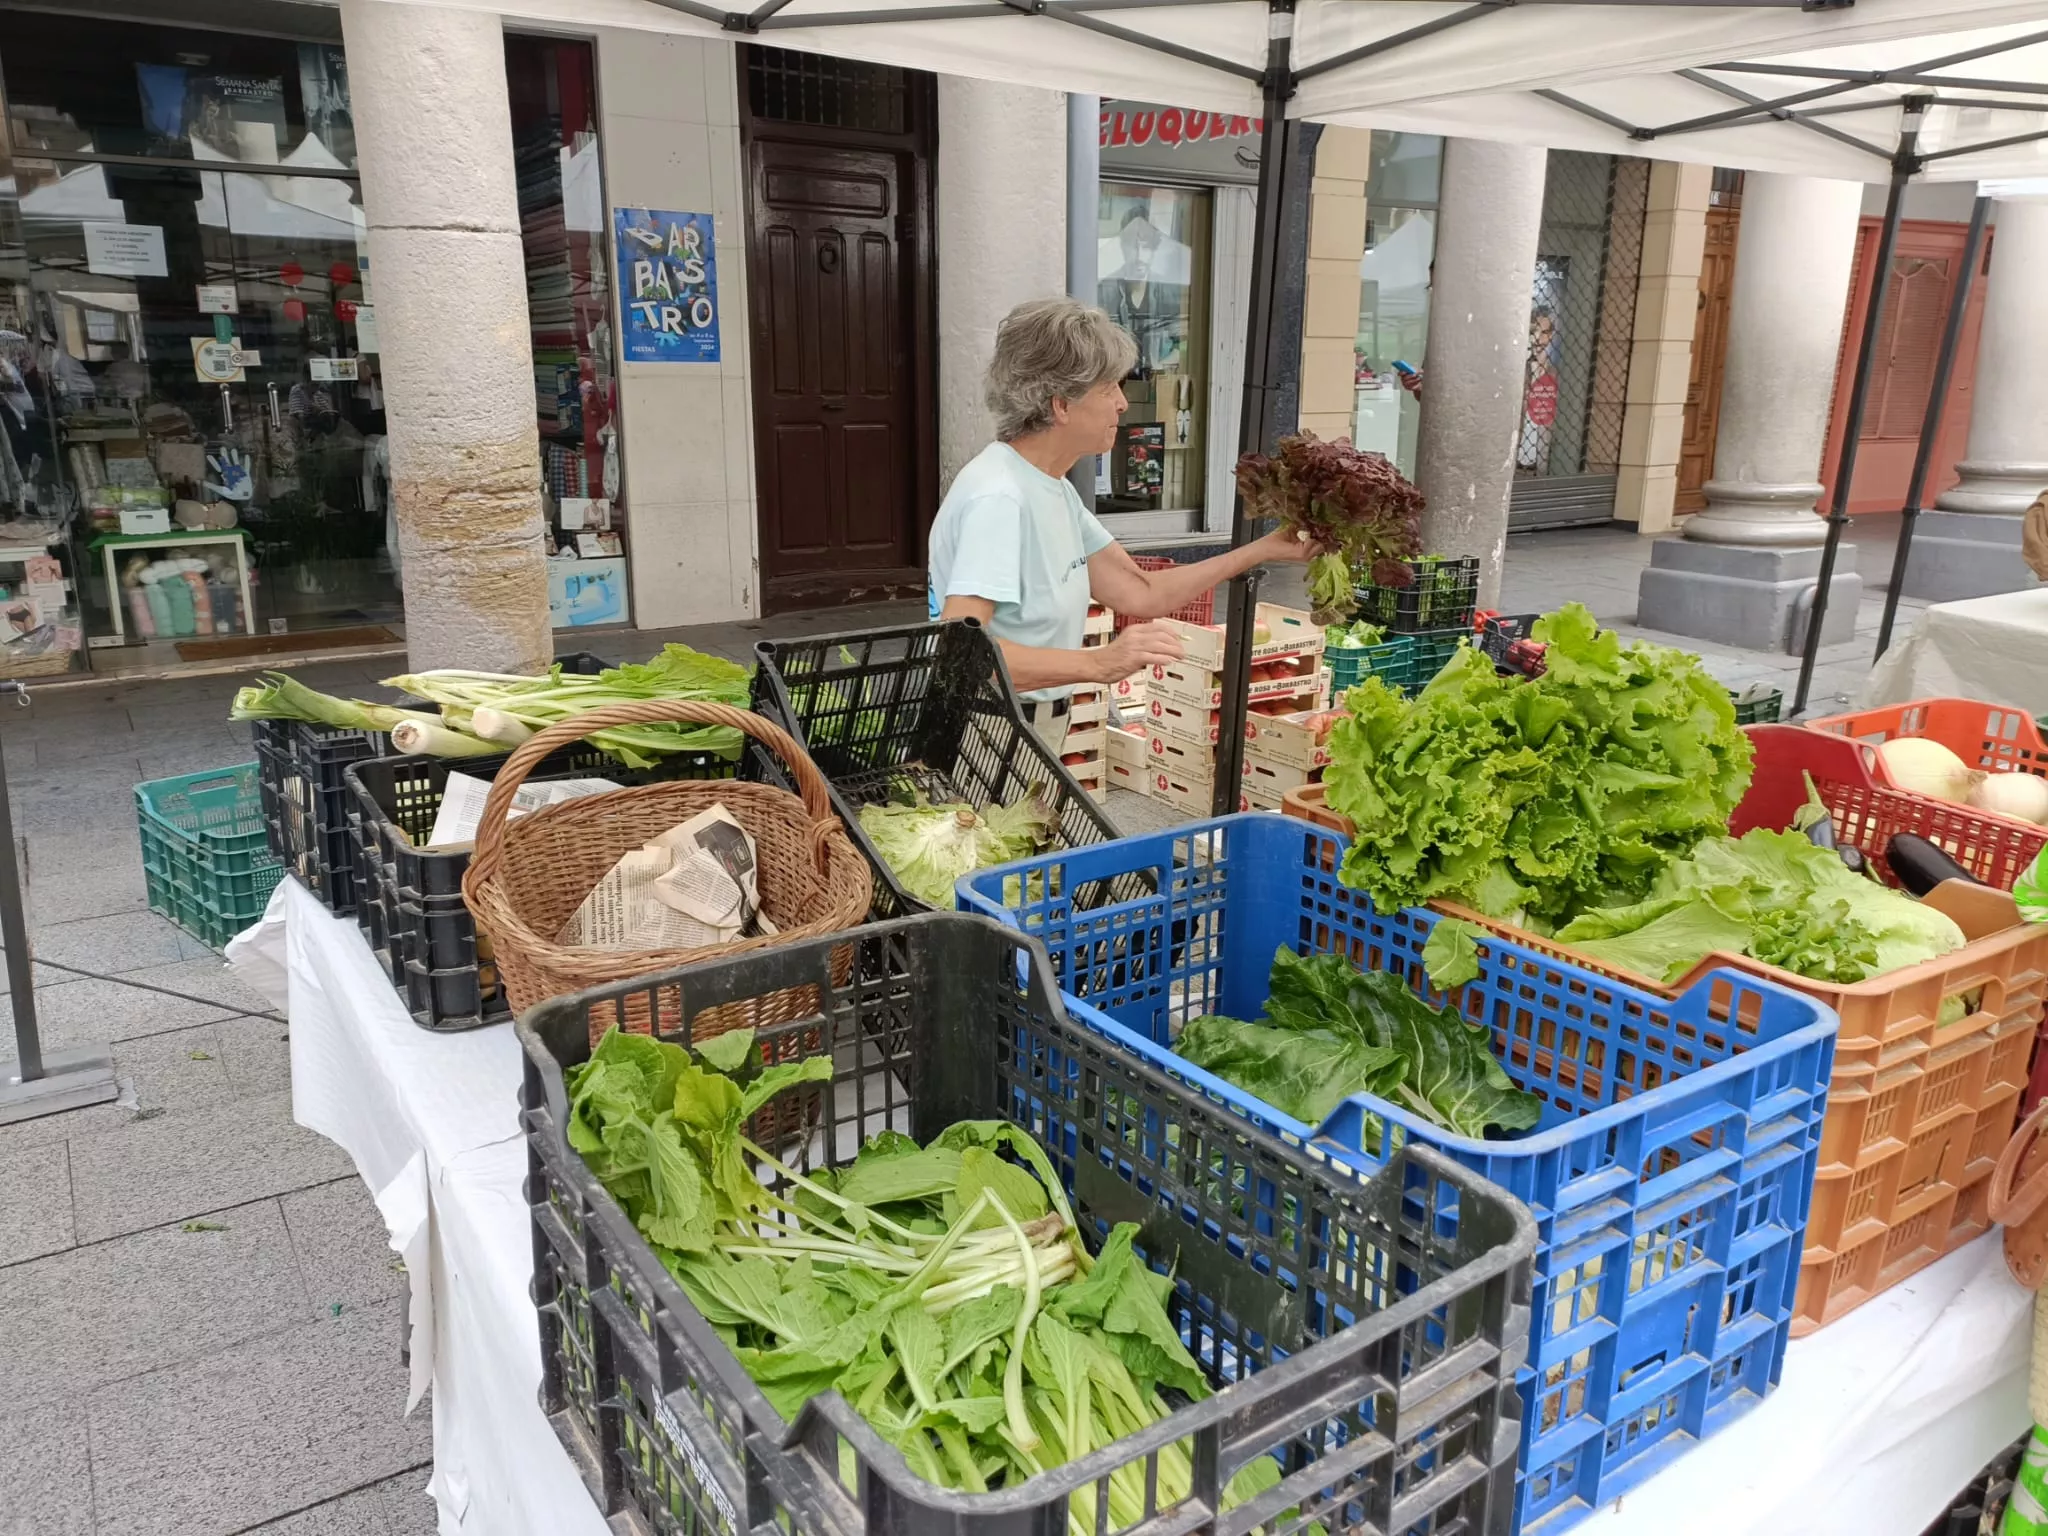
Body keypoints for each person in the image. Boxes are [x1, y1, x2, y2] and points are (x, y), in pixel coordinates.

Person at [929, 296, 1319, 751]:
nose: (1122, 403)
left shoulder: (1051, 488)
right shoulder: (998, 498)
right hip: (983, 734)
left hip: (1029, 728)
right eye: (1109, 388)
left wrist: (1265, 548)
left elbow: (1141, 592)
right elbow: (961, 655)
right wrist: (1098, 663)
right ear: (1061, 405)